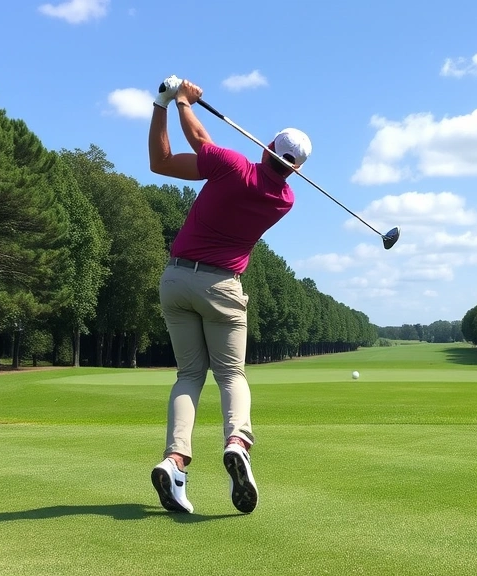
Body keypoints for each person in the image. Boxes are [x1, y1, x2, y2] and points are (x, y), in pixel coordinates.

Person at [146, 75, 312, 515]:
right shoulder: (285, 197)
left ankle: (175, 460)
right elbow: (164, 162)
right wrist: (170, 105)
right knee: (231, 375)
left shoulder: (233, 166)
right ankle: (237, 443)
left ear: (266, 147)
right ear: (295, 168)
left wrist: (176, 102)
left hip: (177, 280)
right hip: (222, 288)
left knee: (188, 375)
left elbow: (193, 142)